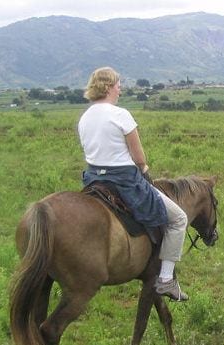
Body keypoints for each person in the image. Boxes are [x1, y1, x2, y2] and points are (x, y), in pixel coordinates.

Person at [78, 66, 189, 301]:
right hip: (124, 180)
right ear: (108, 86)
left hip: (94, 180)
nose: (120, 89)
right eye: (118, 84)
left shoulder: (85, 116)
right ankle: (167, 279)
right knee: (179, 219)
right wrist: (145, 169)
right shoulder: (121, 114)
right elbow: (139, 159)